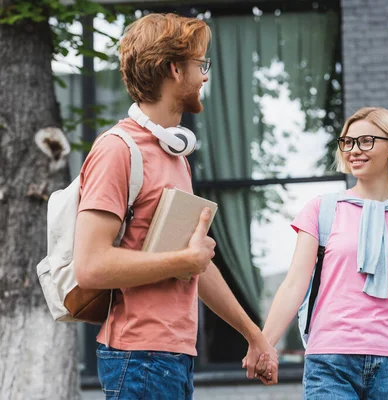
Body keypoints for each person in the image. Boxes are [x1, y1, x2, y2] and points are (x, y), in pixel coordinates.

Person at [73, 13, 276, 399]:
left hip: (171, 356)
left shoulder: (173, 155)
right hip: (138, 357)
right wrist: (186, 262)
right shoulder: (118, 149)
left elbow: (196, 264)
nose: (205, 75)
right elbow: (90, 266)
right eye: (201, 64)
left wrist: (255, 336)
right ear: (174, 69)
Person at [250, 107, 388, 398]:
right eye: (348, 143)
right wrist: (264, 344)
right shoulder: (323, 210)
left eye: (365, 141)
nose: (354, 150)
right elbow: (294, 284)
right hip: (330, 361)